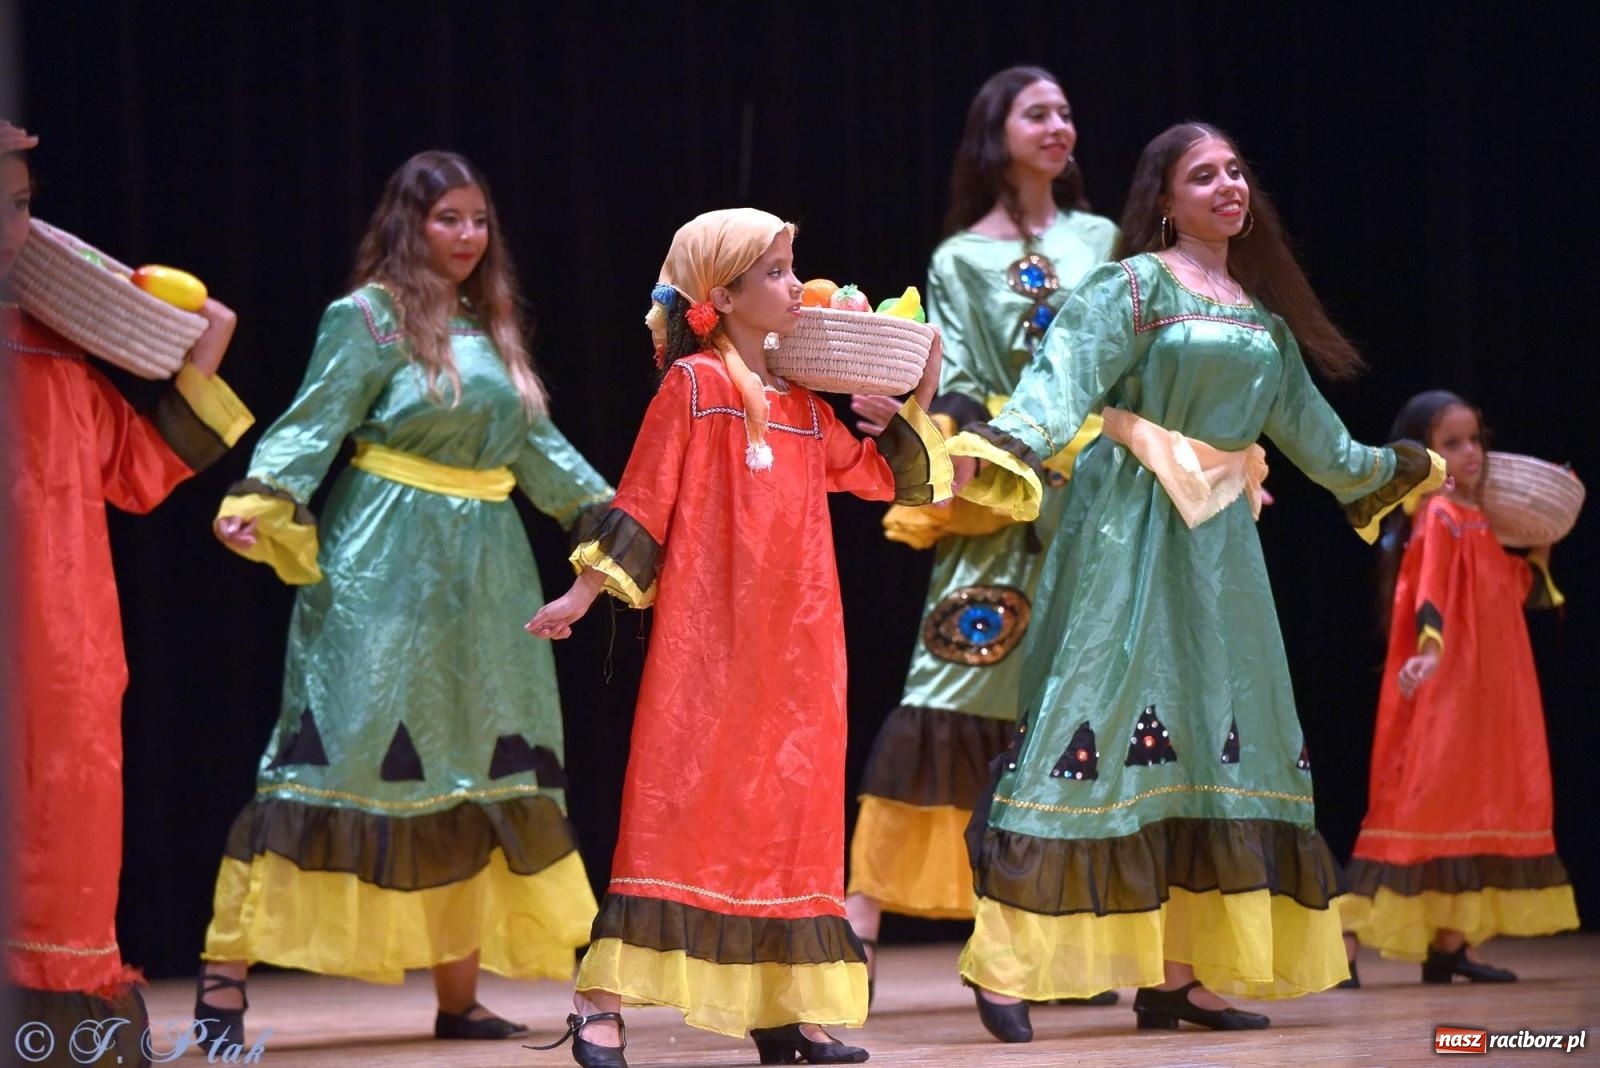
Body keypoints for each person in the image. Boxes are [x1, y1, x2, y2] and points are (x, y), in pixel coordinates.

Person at [944, 122, 1445, 1039]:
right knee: (1084, 724)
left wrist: (1387, 472)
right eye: (1203, 174)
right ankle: (1008, 965)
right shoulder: (1132, 287)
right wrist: (1004, 442)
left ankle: (1182, 976)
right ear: (1164, 202)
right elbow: (1063, 381)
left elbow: (1314, 436)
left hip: (1218, 547)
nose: (1228, 186)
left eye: (1236, 171)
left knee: (1211, 740)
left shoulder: (1259, 318)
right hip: (1129, 527)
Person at [197, 150, 611, 1044]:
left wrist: (618, 521)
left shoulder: (490, 324)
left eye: (477, 220)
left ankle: (457, 996)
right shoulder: (369, 320)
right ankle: (223, 983)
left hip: (489, 572)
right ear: (408, 223)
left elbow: (536, 448)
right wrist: (264, 495)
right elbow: (316, 418)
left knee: (472, 757)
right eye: (446, 219)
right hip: (382, 564)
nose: (466, 237)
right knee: (338, 749)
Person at [525, 208, 950, 1067]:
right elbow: (643, 500)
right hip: (709, 643)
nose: (796, 286)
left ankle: (784, 1008)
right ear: (721, 295)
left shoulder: (801, 407)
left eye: (795, 268)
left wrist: (918, 395)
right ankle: (599, 1004)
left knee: (789, 811)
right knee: (679, 802)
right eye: (778, 272)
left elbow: (880, 478)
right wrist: (580, 593)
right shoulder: (694, 387)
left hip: (800, 648)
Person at [842, 65, 1118, 1006]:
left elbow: (1126, 364)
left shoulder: (1103, 240)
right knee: (951, 687)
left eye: (1066, 111)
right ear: (994, 133)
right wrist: (968, 450)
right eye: (1038, 111)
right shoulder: (960, 256)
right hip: (997, 484)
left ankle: (1059, 935)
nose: (1059, 125)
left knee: (1081, 705)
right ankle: (861, 920)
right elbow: (951, 371)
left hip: (1094, 495)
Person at [3, 119, 250, 1065]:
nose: (10, 229)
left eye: (20, 206)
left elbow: (138, 471)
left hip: (66, 656)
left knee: (63, 839)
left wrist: (207, 347)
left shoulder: (50, 348)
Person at [1341, 390, 1579, 984]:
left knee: (1471, 800)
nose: (1471, 452)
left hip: (1488, 690)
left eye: (1476, 439)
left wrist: (1540, 554)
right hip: (1448, 685)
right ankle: (1342, 939)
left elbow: (1506, 590)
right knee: (1419, 799)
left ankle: (1450, 944)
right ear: (1425, 455)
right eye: (1453, 443)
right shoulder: (1439, 517)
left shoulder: (1478, 521)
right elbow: (1429, 591)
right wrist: (1426, 653)